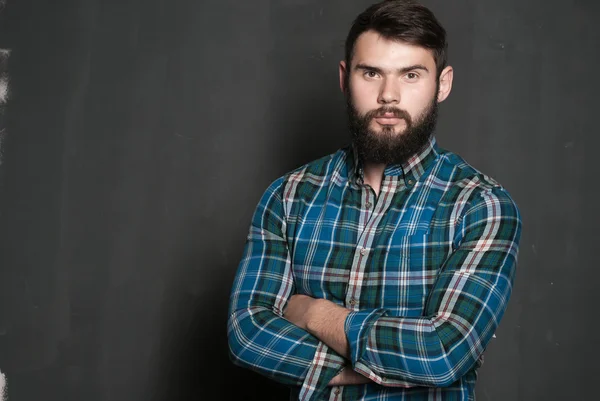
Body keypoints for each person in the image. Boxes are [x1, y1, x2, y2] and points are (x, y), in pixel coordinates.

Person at [227, 1, 522, 400]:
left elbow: (441, 353)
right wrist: (365, 365)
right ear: (346, 78)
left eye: (411, 75)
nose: (389, 96)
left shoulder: (480, 207)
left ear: (443, 83)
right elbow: (247, 332)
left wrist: (313, 313)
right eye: (371, 73)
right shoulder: (290, 195)